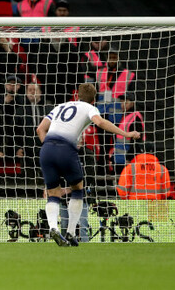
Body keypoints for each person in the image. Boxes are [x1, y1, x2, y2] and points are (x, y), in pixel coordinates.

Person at [36, 83, 140, 247]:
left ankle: (54, 227)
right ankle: (70, 233)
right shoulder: (89, 108)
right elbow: (100, 123)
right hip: (65, 149)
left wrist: (50, 147)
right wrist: (126, 133)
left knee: (53, 192)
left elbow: (40, 129)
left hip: (47, 149)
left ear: (77, 95)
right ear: (94, 98)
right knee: (78, 189)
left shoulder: (61, 106)